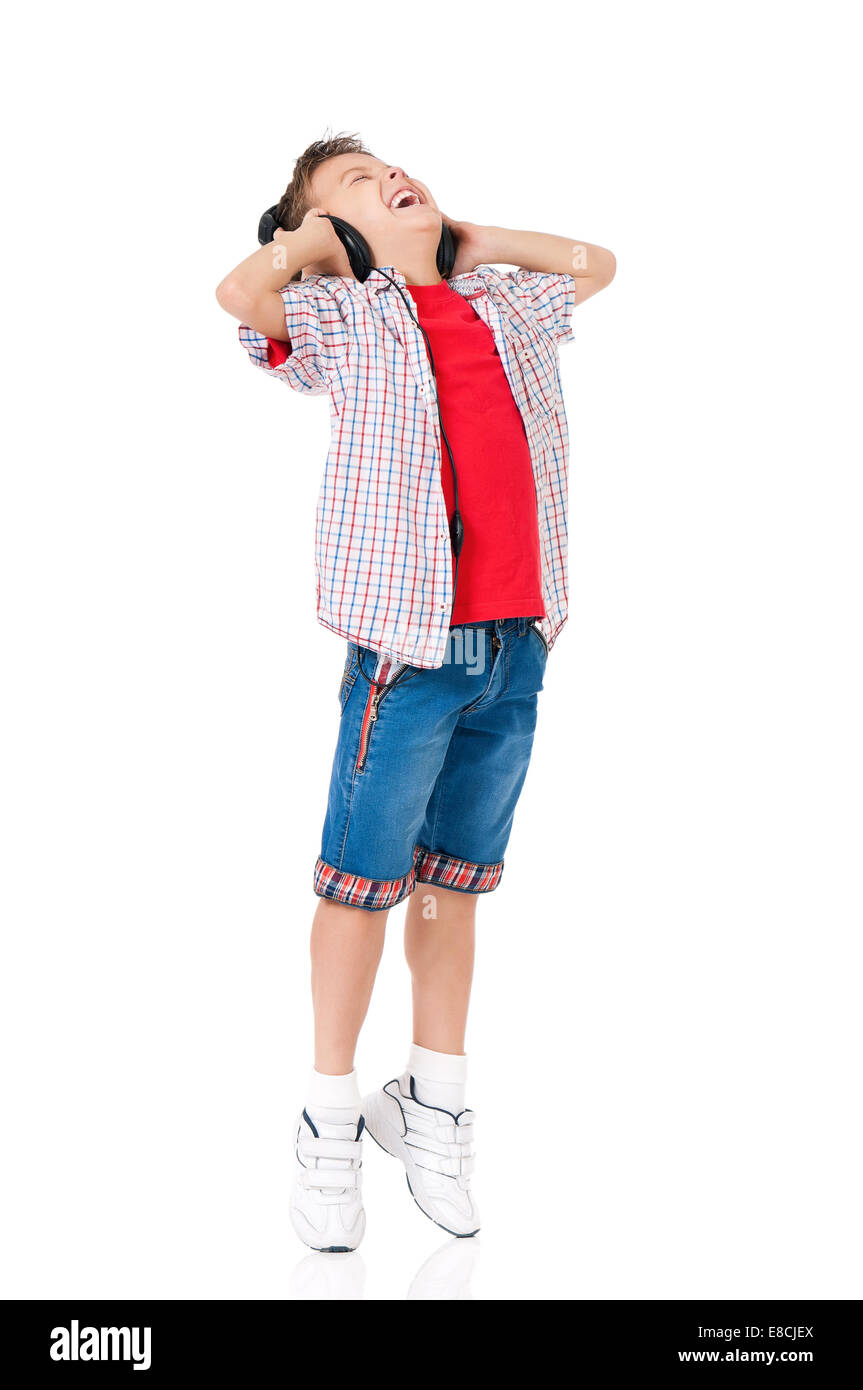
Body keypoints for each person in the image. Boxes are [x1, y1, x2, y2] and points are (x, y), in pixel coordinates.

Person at [215, 131, 616, 1251]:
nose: (388, 175)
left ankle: (431, 1100)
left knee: (455, 881)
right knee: (360, 882)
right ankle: (328, 1117)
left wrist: (472, 239)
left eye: (386, 166)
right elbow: (241, 295)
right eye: (355, 183)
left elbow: (596, 264)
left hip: (517, 643)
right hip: (409, 650)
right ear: (337, 235)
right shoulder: (347, 320)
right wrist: (312, 245)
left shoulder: (502, 301)